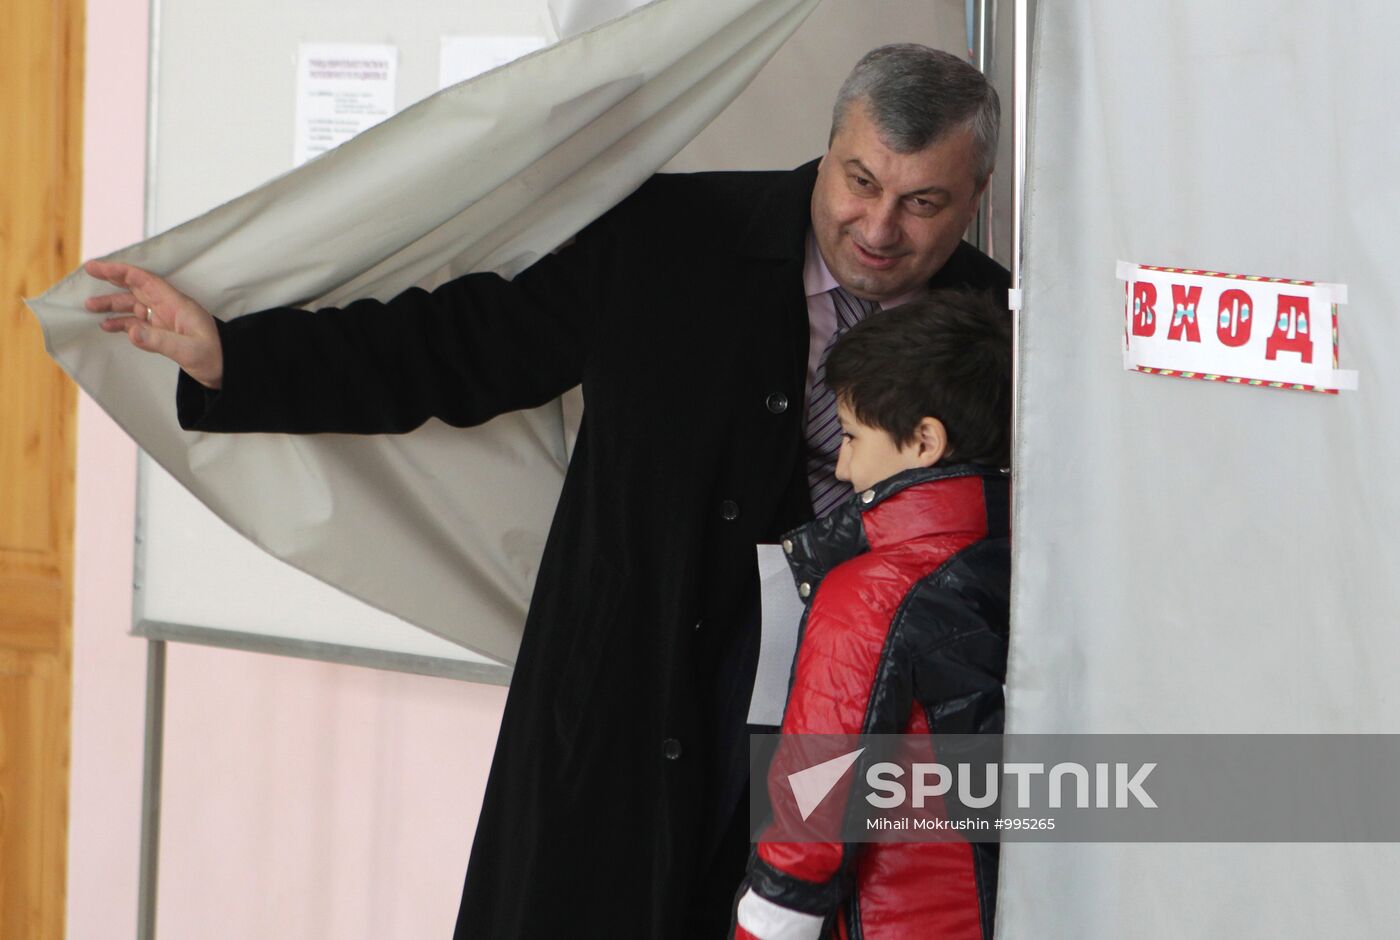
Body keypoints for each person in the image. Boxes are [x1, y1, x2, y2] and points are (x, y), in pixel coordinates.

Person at [84, 44, 1008, 939]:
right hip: (625, 721)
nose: (879, 228)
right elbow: (457, 347)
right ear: (829, 148)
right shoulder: (673, 239)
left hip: (852, 756)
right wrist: (235, 357)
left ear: (978, 197)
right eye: (859, 182)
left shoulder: (1004, 333)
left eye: (922, 203)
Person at [730, 290, 1012, 940]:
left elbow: (810, 816)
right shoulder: (1042, 568)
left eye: (854, 436)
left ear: (924, 441)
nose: (841, 464)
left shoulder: (870, 593)